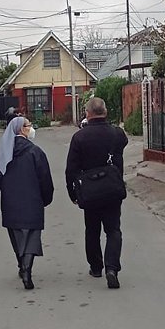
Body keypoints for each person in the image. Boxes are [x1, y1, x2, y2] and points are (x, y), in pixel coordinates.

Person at [65, 97, 128, 289]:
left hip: (90, 191)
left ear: (87, 113)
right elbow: (123, 143)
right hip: (112, 189)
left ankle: (95, 266)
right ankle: (112, 268)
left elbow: (71, 169)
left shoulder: (79, 137)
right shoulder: (117, 134)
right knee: (113, 230)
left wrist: (73, 193)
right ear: (106, 112)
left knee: (92, 229)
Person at [0, 116, 54, 290]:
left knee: (16, 237)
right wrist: (46, 199)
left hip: (11, 204)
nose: (31, 128)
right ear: (22, 130)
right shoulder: (36, 152)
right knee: (32, 238)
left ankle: (21, 265)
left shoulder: (2, 154)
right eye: (29, 125)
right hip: (33, 202)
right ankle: (26, 269)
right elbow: (45, 179)